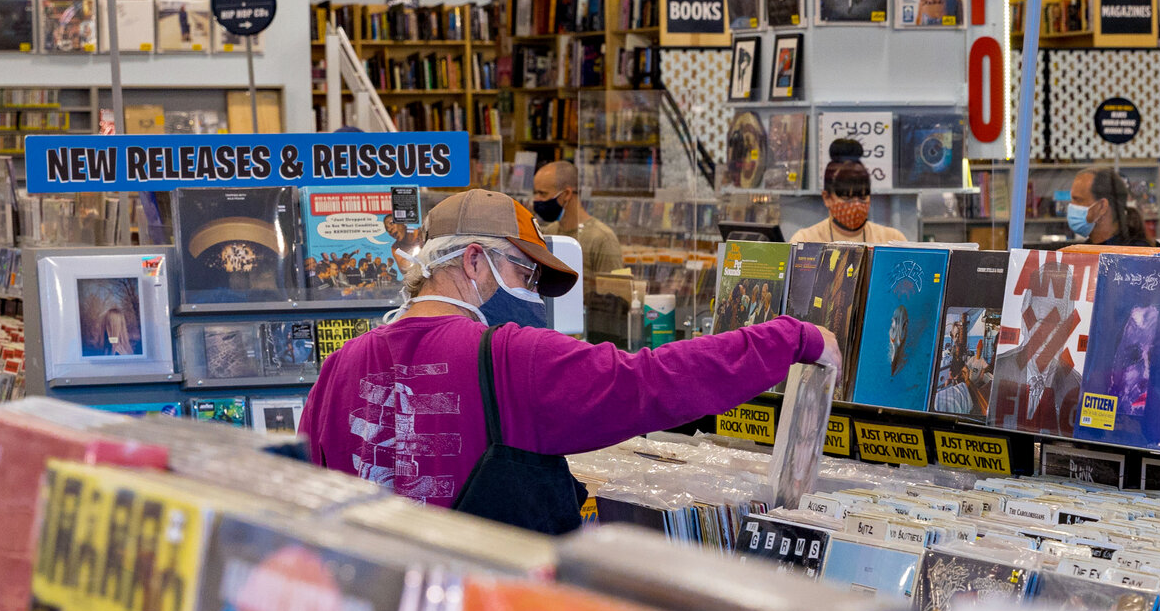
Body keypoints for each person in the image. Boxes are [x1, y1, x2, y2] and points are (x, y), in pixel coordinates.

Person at [301, 189, 834, 530]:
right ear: (473, 261)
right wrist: (790, 339)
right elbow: (651, 382)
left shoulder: (338, 369)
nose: (533, 295)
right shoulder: (511, 357)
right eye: (525, 274)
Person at [792, 138, 907, 245]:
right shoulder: (805, 241)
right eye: (847, 198)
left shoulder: (892, 240)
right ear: (826, 197)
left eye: (862, 197)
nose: (856, 204)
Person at [530, 159, 624, 283]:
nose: (536, 200)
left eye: (542, 194)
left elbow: (614, 294)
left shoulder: (602, 239)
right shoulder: (550, 232)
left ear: (567, 194)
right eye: (535, 193)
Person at [1065, 167, 1157, 248]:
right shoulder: (1085, 251)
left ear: (1102, 207)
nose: (1071, 206)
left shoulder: (1136, 255)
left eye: (1078, 200)